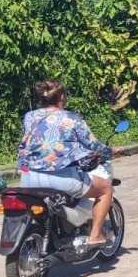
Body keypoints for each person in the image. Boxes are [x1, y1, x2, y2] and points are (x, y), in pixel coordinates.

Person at [17, 80, 115, 249]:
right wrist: (110, 151)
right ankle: (96, 236)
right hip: (61, 179)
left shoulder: (30, 116)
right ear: (62, 97)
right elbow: (92, 144)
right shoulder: (71, 118)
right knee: (106, 189)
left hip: (28, 178)